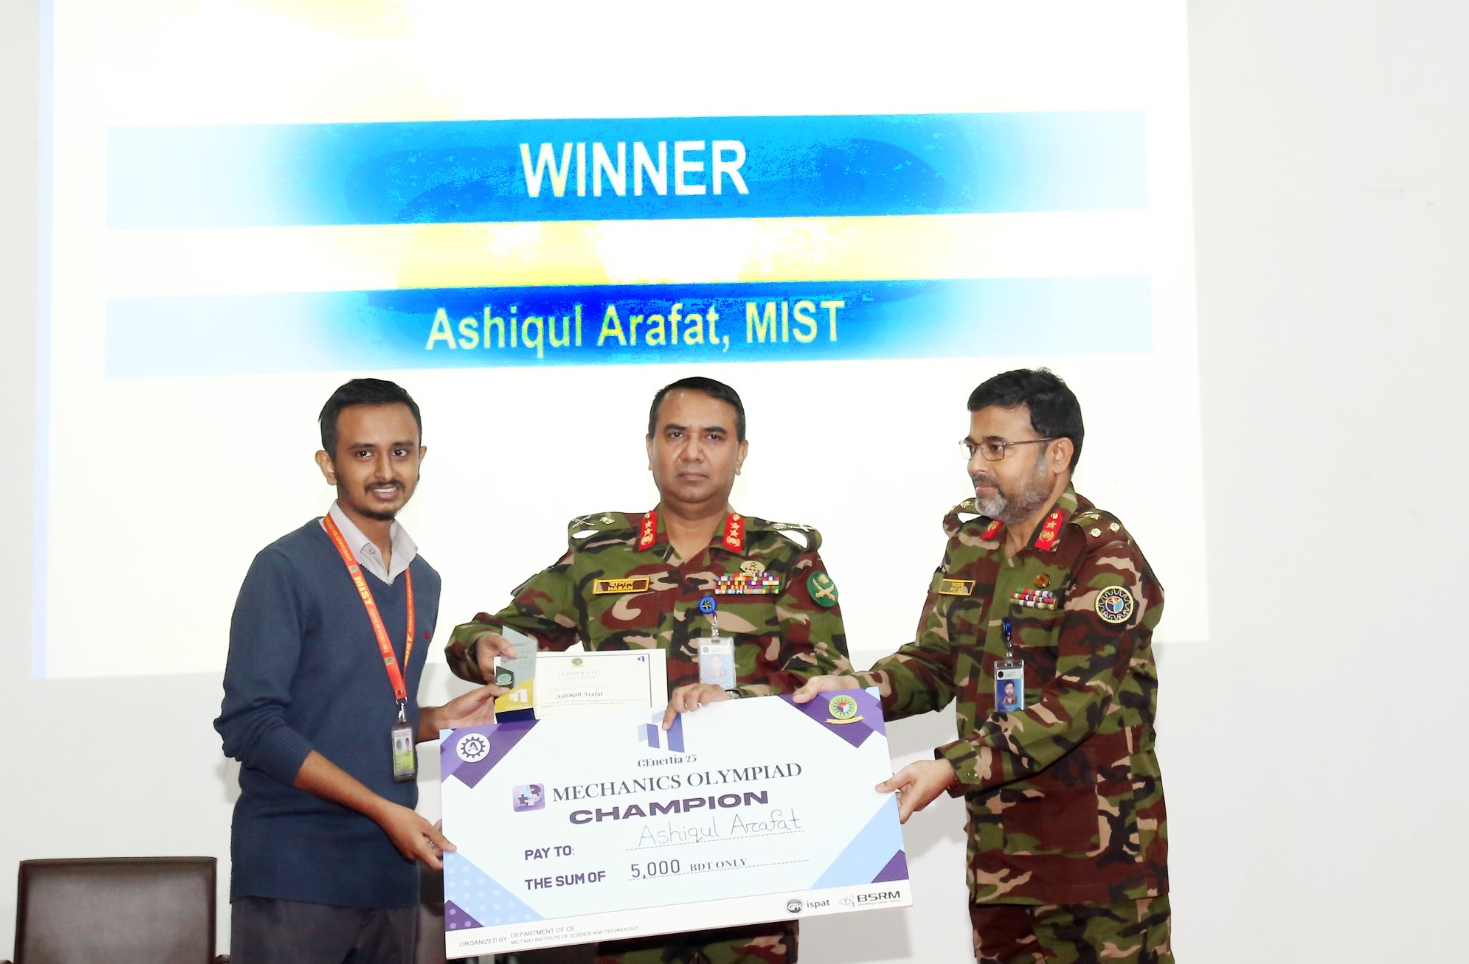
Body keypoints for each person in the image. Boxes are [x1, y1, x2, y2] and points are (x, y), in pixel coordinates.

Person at [445, 376, 855, 964]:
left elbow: (829, 684)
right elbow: (493, 638)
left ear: (740, 453)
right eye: (676, 435)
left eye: (713, 437)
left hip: (750, 846)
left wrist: (738, 702)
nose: (693, 452)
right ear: (649, 447)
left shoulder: (785, 559)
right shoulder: (599, 555)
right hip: (627, 856)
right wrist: (485, 647)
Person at [795, 368, 1172, 963]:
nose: (976, 464)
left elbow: (1074, 705)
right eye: (972, 446)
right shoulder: (972, 546)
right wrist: (853, 691)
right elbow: (935, 664)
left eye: (996, 447)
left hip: (1097, 866)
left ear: (1057, 454)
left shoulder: (1103, 556)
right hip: (999, 863)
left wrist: (951, 767)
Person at [215, 378, 502, 963]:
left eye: (400, 451)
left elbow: (363, 714)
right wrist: (381, 809)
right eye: (363, 453)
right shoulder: (284, 567)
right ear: (329, 465)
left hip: (389, 875)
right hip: (296, 874)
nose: (385, 470)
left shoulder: (423, 579)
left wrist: (436, 721)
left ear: (421, 457)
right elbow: (251, 727)